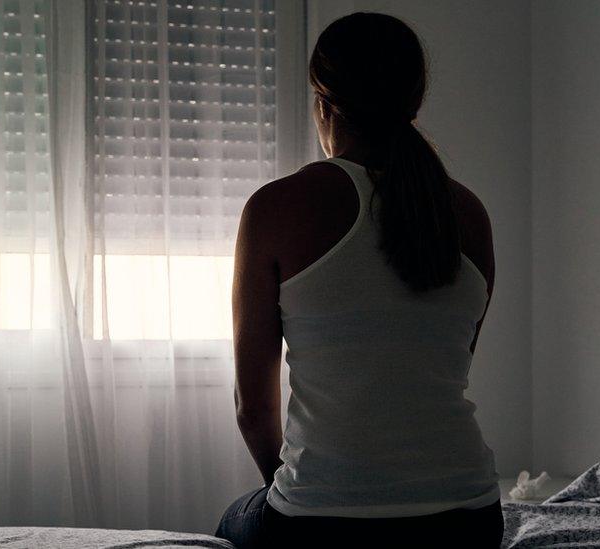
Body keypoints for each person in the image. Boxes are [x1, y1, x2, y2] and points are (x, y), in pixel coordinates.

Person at [215, 12, 503, 549]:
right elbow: (439, 370)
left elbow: (252, 410)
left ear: (323, 100)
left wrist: (303, 493)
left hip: (323, 526)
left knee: (232, 523)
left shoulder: (276, 208)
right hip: (469, 519)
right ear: (414, 102)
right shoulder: (469, 212)